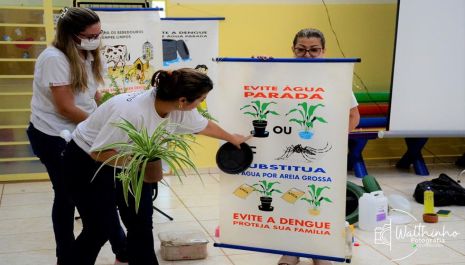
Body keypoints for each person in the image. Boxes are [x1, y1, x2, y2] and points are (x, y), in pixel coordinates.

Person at [62, 68, 251, 265]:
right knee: (98, 228)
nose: (202, 103)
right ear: (183, 100)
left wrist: (231, 138)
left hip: (131, 160)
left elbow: (204, 126)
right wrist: (144, 165)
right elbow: (98, 152)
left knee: (141, 224)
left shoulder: (176, 107)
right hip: (86, 162)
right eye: (201, 98)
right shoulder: (132, 113)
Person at [26, 7, 127, 265]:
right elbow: (66, 107)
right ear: (70, 34)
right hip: (53, 135)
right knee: (67, 195)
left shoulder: (87, 53)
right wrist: (103, 124)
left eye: (98, 34)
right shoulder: (54, 58)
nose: (95, 39)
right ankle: (66, 255)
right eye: (89, 35)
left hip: (83, 132)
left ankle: (123, 252)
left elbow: (91, 94)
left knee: (102, 192)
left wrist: (113, 108)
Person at [276, 28, 360, 265]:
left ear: (323, 51)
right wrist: (261, 65)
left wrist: (336, 140)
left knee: (318, 202)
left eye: (314, 50)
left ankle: (318, 252)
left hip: (323, 155)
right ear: (293, 50)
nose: (307, 55)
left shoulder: (335, 77)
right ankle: (291, 251)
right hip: (287, 151)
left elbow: (353, 115)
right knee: (289, 201)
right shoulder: (279, 74)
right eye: (301, 50)